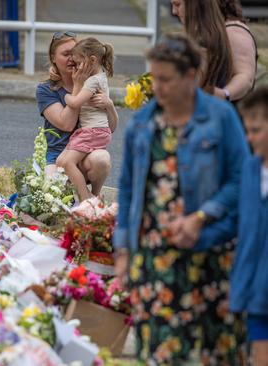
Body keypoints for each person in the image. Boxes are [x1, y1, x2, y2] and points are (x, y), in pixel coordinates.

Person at [114, 34, 249, 364]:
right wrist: (124, 250)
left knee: (216, 351)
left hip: (210, 254)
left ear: (191, 76)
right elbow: (129, 189)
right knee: (160, 349)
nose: (157, 87)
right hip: (155, 258)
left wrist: (201, 217)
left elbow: (240, 179)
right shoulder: (143, 125)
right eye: (154, 77)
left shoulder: (220, 117)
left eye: (166, 79)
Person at [36, 31, 117, 195]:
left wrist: (110, 106)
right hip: (59, 157)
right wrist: (77, 84)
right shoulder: (46, 89)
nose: (72, 59)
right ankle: (87, 199)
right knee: (51, 201)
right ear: (53, 58)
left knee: (102, 158)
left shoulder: (92, 83)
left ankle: (93, 195)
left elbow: (110, 127)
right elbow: (67, 124)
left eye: (74, 53)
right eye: (66, 54)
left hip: (86, 156)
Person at [231, 87, 268, 366]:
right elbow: (236, 222)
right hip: (254, 294)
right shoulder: (250, 169)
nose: (249, 138)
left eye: (256, 130)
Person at [56, 37, 114, 201]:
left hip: (93, 131)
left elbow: (75, 103)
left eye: (79, 63)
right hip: (92, 131)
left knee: (68, 164)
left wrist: (66, 95)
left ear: (92, 60)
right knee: (61, 161)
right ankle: (93, 199)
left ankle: (86, 201)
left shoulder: (92, 82)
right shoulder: (101, 76)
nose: (76, 67)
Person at [170, 0, 234, 94]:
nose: (174, 11)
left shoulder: (203, 43)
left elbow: (193, 90)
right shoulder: (213, 35)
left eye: (177, 4)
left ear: (195, 5)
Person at [217, 0, 258, 102]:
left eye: (178, 5)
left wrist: (224, 94)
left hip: (232, 113)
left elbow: (244, 76)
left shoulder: (232, 31)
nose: (174, 11)